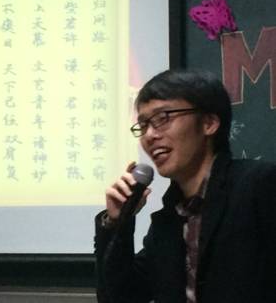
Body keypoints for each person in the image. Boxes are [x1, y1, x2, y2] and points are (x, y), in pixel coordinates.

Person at [94, 69, 276, 303]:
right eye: (143, 124)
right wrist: (117, 223)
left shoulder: (260, 186)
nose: (149, 135)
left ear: (209, 123)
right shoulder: (168, 221)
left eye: (163, 118)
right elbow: (119, 297)